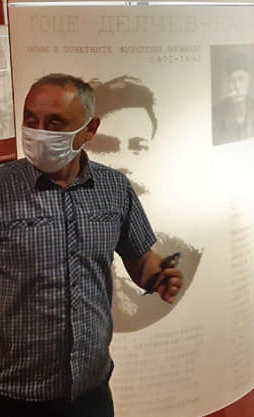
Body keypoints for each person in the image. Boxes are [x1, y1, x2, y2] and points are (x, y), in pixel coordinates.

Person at [0, 73, 183, 417]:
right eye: (31, 120)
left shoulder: (114, 189)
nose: (38, 132)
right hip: (7, 397)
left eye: (54, 123)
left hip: (87, 392)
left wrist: (158, 276)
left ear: (90, 129)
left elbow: (141, 259)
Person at [85, 74, 201, 333]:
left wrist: (158, 277)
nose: (125, 160)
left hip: (93, 350)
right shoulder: (7, 191)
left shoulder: (119, 191)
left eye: (138, 146)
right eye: (109, 146)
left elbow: (141, 259)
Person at [212, 50, 254, 145]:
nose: (237, 86)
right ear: (228, 83)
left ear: (248, 80)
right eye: (232, 80)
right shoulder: (216, 114)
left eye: (241, 79)